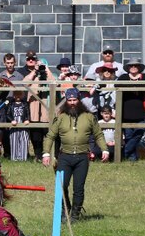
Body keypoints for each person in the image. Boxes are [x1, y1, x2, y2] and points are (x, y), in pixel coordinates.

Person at [43, 88, 109, 221]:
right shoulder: (61, 118)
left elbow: (98, 135)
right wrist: (46, 153)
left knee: (78, 188)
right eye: (69, 100)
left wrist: (105, 149)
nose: (72, 102)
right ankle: (64, 210)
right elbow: (50, 136)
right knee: (62, 186)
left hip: (82, 157)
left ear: (79, 100)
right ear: (66, 101)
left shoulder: (89, 117)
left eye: (74, 100)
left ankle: (75, 214)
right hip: (65, 157)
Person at [117, 58, 145, 161]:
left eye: (135, 66)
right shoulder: (123, 77)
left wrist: (136, 81)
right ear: (128, 68)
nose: (133, 67)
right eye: (131, 66)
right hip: (126, 111)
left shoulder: (144, 77)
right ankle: (132, 158)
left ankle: (124, 153)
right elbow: (117, 84)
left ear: (139, 68)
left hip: (140, 112)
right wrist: (135, 83)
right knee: (128, 136)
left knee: (139, 133)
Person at [3, 88, 31, 161]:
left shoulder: (25, 104)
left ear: (22, 95)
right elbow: (8, 114)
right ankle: (15, 158)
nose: (18, 96)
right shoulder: (11, 104)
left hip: (23, 123)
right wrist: (11, 120)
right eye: (16, 94)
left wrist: (27, 119)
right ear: (14, 95)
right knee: (14, 140)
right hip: (14, 124)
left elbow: (28, 113)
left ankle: (23, 157)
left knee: (24, 140)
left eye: (19, 94)